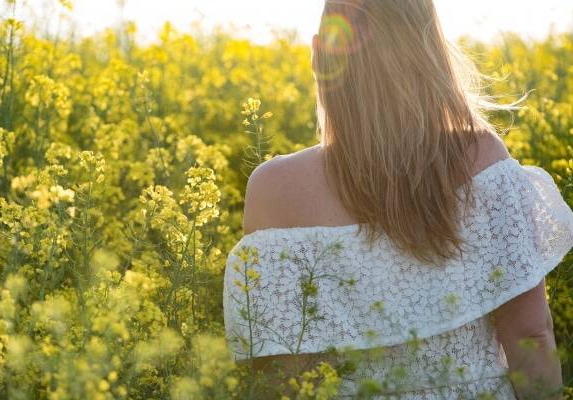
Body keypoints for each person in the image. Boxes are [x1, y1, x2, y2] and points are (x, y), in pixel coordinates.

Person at [223, 0, 572, 398]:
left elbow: (277, 376)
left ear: (318, 55)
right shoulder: (481, 159)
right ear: (430, 52)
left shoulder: (274, 188)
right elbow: (531, 335)